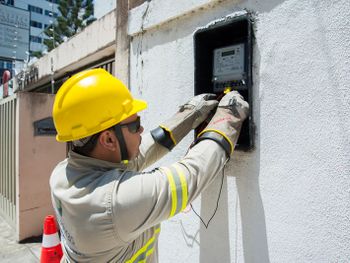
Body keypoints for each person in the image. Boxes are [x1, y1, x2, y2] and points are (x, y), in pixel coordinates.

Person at [50, 68, 249, 262]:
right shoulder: (113, 204)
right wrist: (228, 116)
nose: (142, 129)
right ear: (108, 140)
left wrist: (188, 115)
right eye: (135, 125)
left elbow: (141, 151)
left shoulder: (63, 174)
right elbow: (192, 174)